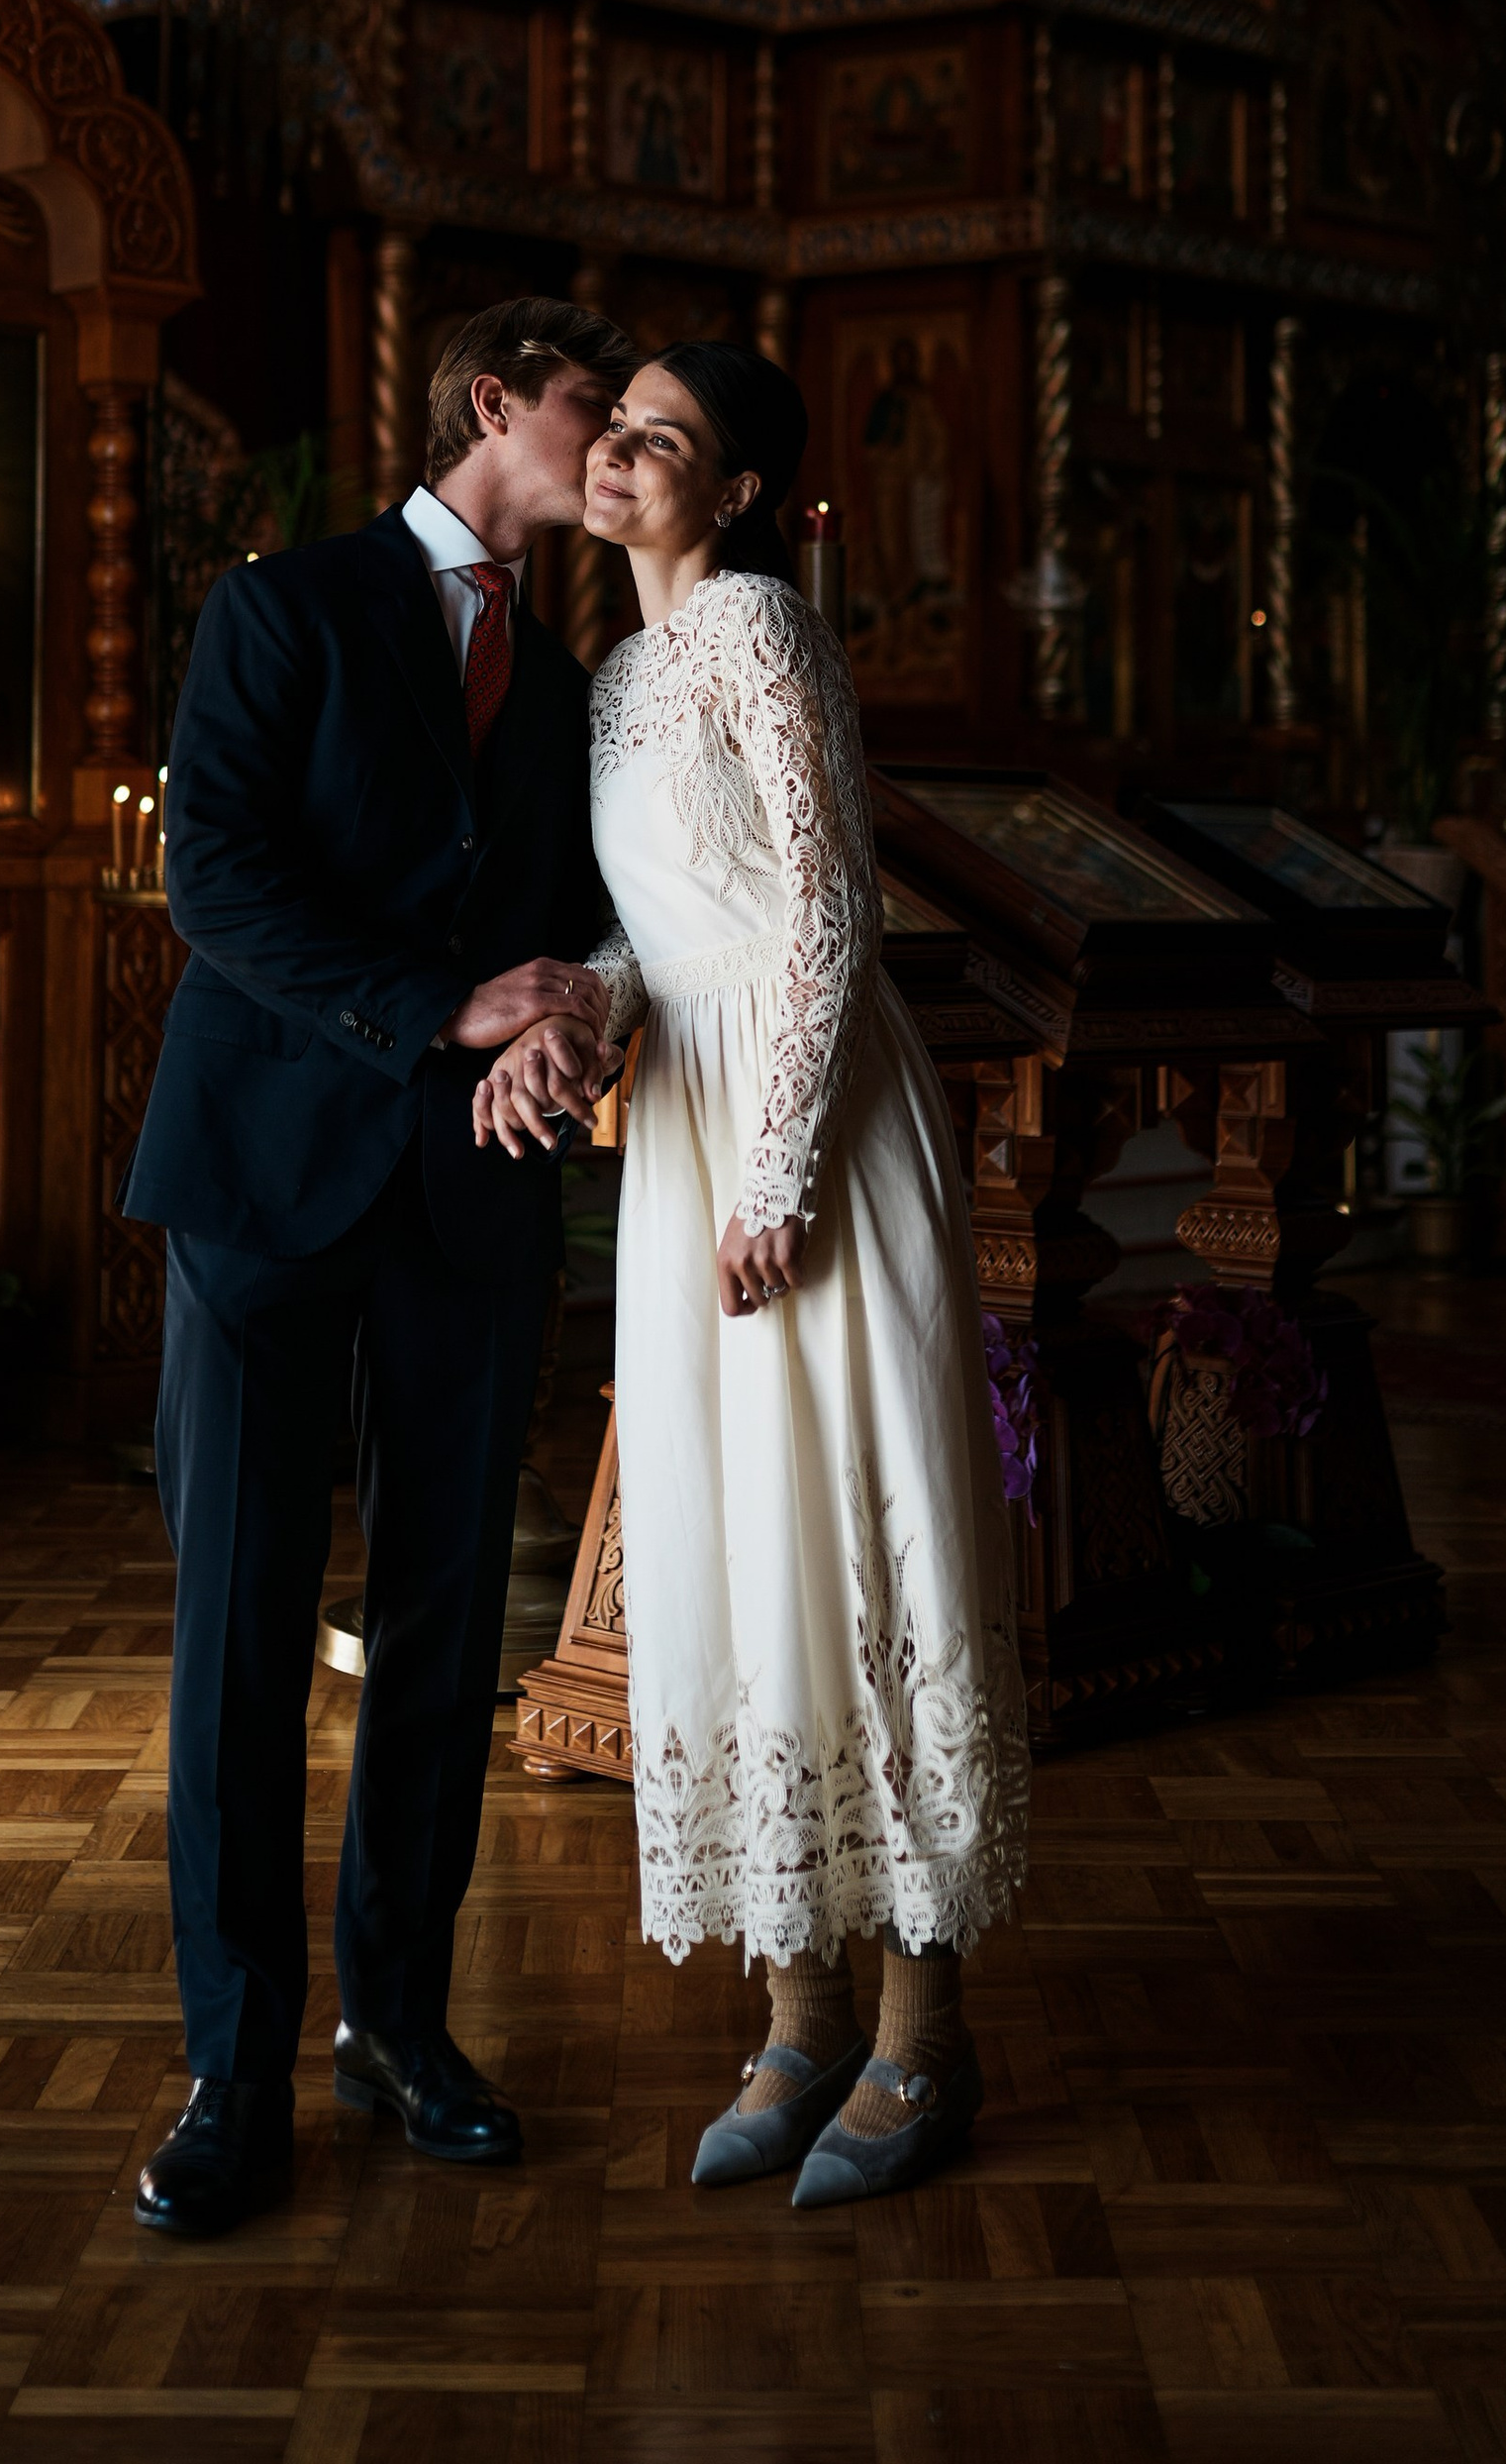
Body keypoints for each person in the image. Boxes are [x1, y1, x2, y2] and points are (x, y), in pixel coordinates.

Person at [473, 341, 1029, 2207]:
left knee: (855, 1539)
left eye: (666, 438)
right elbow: (666, 933)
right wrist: (586, 1000)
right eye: (616, 420)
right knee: (727, 1549)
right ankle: (798, 2016)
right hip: (687, 1137)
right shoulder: (618, 675)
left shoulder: (764, 633)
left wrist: (779, 1166)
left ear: (733, 497)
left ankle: (922, 2037)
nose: (620, 449)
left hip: (811, 1132)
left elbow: (824, 902)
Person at [125, 290, 638, 2240]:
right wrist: (444, 1003)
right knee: (242, 1635)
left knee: (443, 1632)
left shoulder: (579, 678)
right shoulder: (284, 608)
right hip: (260, 1177)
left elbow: (593, 918)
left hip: (473, 1197)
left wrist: (568, 1015)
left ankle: (404, 2033)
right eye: (589, 402)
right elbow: (220, 882)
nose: (605, 442)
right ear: (493, 399)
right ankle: (230, 2070)